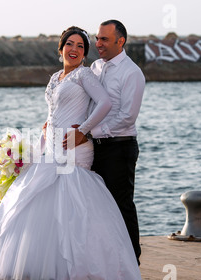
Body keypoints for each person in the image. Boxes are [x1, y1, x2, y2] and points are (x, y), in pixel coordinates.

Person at [0, 26, 143, 280]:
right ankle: (52, 268)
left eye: (81, 47)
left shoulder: (86, 74)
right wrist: (43, 136)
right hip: (52, 148)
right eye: (69, 44)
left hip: (76, 147)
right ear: (60, 49)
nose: (74, 50)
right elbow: (54, 111)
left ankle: (90, 270)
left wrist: (82, 131)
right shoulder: (56, 78)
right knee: (45, 204)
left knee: (79, 205)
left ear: (84, 54)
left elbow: (106, 103)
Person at [64, 20, 145, 265]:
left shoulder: (132, 73)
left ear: (120, 41)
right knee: (96, 205)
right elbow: (89, 104)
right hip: (92, 148)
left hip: (119, 146)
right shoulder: (96, 67)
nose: (97, 44)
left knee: (121, 205)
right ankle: (104, 261)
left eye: (104, 39)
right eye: (97, 38)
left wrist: (88, 130)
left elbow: (127, 116)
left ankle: (132, 260)